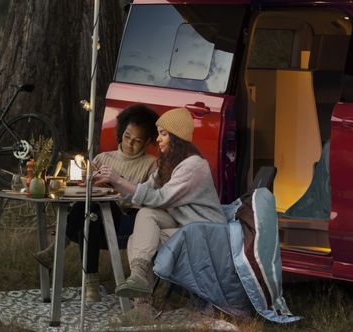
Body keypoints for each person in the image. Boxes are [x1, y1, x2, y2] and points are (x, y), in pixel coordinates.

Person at [92, 107, 224, 298]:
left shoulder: (193, 166)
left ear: (176, 137)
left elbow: (159, 197)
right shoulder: (168, 163)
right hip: (183, 225)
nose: (158, 139)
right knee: (144, 221)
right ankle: (139, 280)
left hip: (205, 231)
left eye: (163, 134)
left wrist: (119, 180)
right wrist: (113, 183)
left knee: (137, 239)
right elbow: (145, 189)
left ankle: (141, 299)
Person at [35, 104, 159, 303]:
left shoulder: (151, 163)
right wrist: (87, 181)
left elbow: (148, 198)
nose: (130, 144)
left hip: (127, 220)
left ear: (146, 142)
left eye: (137, 141)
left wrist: (118, 184)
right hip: (95, 220)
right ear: (121, 133)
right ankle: (90, 284)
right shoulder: (103, 158)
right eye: (127, 137)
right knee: (90, 211)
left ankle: (58, 248)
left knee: (94, 209)